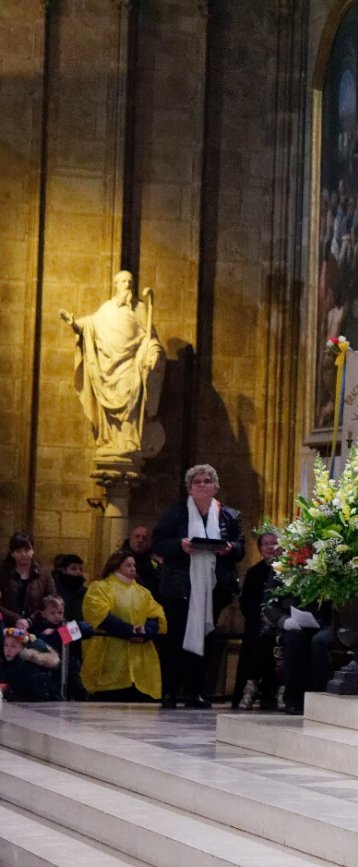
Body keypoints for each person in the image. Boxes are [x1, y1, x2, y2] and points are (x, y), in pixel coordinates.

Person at [152, 464, 245, 708]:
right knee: (176, 640)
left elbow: (240, 547)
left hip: (212, 589)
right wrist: (179, 546)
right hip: (180, 587)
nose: (202, 485)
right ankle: (170, 692)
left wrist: (229, 549)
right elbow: (158, 542)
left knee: (206, 639)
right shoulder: (176, 512)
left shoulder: (229, 515)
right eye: (197, 482)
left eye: (207, 481)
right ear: (189, 488)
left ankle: (196, 692)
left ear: (215, 487)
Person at [59, 270, 165, 459]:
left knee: (130, 395)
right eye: (123, 282)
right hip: (107, 370)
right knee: (110, 408)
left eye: (130, 282)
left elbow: (151, 339)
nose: (127, 285)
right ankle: (111, 441)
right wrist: (74, 323)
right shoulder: (106, 309)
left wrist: (154, 353)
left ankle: (129, 442)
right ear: (115, 284)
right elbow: (89, 324)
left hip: (130, 368)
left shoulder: (140, 309)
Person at [79, 550, 167, 701]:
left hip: (140, 661)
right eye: (128, 565)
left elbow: (156, 615)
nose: (133, 568)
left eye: (134, 565)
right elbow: (100, 616)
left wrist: (145, 632)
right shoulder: (100, 588)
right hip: (111, 657)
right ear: (116, 566)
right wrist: (129, 631)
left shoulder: (143, 592)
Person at [233, 531, 283, 710]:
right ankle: (249, 690)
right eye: (266, 544)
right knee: (257, 637)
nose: (270, 547)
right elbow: (246, 602)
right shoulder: (254, 572)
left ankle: (278, 692)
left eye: (274, 543)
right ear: (260, 549)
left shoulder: (286, 570)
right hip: (258, 621)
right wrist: (262, 616)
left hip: (280, 622)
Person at [31, 594, 92, 700]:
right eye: (52, 613)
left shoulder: (65, 625)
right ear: (44, 614)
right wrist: (63, 634)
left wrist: (58, 632)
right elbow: (46, 641)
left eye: (60, 612)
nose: (57, 616)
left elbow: (88, 629)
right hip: (52, 671)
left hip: (70, 669)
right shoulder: (39, 630)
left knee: (80, 693)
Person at [0, 532, 56, 625]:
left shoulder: (44, 575)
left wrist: (30, 620)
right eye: (18, 550)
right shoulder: (3, 574)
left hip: (38, 624)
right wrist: (16, 619)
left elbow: (51, 600)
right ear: (11, 553)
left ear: (33, 550)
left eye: (27, 549)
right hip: (7, 625)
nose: (23, 554)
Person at [0, 628, 60, 701]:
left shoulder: (25, 668)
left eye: (13, 646)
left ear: (23, 648)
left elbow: (34, 697)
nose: (8, 650)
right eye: (6, 645)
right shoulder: (13, 664)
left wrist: (6, 695)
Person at [120, 524, 159, 595]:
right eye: (137, 536)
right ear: (130, 539)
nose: (140, 540)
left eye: (144, 538)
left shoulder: (153, 561)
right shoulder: (119, 560)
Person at [51, 553, 88, 622]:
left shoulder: (83, 590)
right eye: (73, 569)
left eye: (80, 569)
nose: (78, 572)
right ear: (63, 570)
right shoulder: (53, 588)